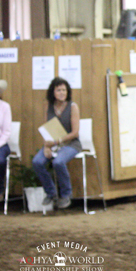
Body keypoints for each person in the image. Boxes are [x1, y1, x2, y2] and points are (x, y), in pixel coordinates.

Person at [32, 77, 82, 209]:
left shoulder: (73, 106)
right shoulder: (47, 105)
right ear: (52, 92)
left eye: (64, 90)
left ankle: (66, 195)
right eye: (58, 90)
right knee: (37, 162)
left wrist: (58, 141)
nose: (62, 93)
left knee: (58, 162)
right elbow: (45, 127)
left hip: (70, 144)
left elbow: (75, 133)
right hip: (52, 143)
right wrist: (46, 146)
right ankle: (51, 193)